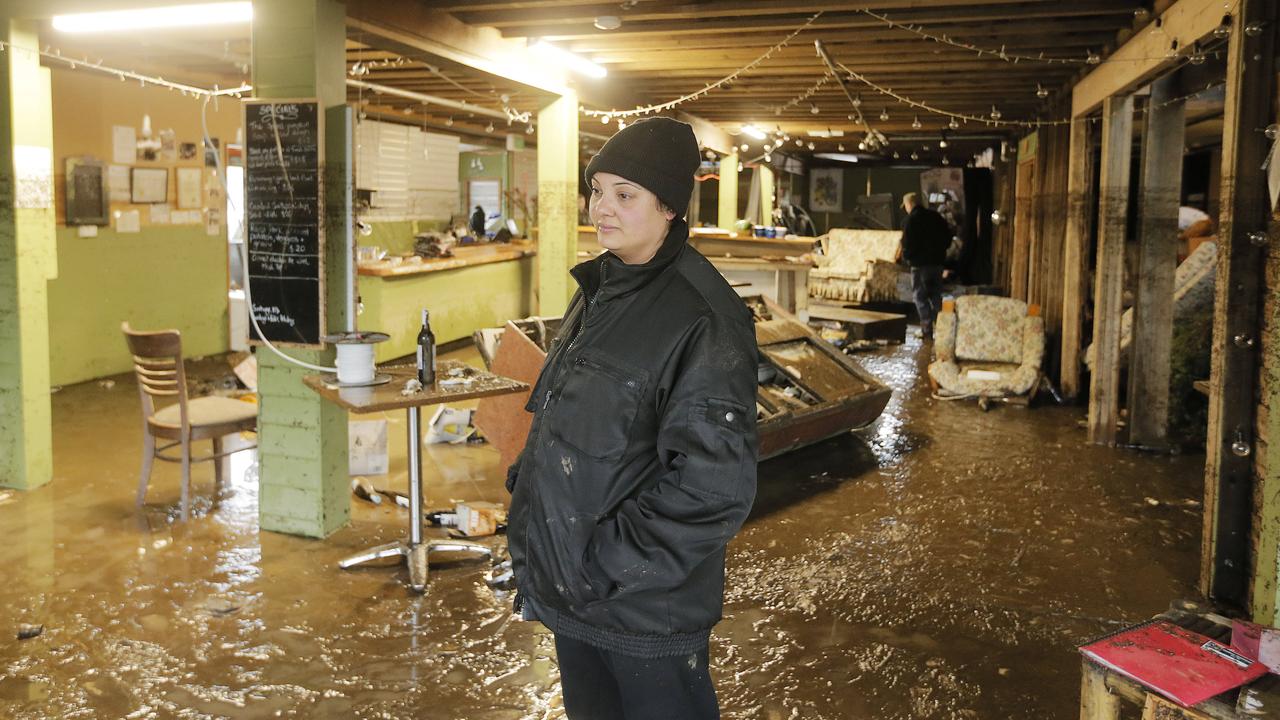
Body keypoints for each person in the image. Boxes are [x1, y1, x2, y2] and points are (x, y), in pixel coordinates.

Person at [506, 116, 759, 720]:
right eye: (597, 190)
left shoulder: (703, 318)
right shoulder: (603, 287)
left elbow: (712, 488)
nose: (603, 209)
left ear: (669, 206)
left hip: (642, 610)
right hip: (575, 592)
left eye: (625, 195)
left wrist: (603, 565)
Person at [896, 191, 951, 338]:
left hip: (920, 266)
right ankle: (943, 329)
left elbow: (906, 244)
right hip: (937, 264)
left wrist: (908, 259)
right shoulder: (936, 217)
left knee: (920, 297)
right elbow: (948, 238)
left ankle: (927, 330)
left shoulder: (910, 221)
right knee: (935, 296)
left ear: (909, 204)